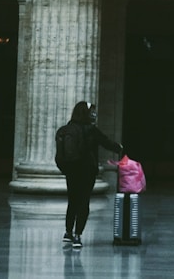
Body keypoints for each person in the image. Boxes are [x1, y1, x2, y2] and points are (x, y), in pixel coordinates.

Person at [57, 101, 123, 249]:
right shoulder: (91, 130)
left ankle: (68, 232)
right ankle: (78, 235)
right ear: (87, 114)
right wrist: (119, 148)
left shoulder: (67, 129)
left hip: (71, 170)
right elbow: (106, 142)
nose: (94, 115)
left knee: (72, 200)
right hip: (87, 170)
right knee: (83, 201)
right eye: (92, 112)